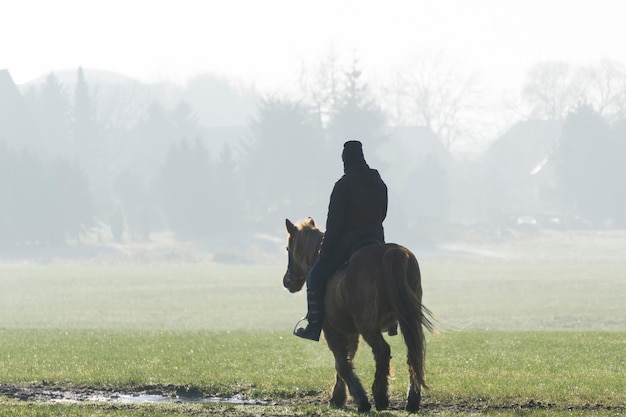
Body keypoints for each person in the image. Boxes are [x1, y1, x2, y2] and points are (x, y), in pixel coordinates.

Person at [294, 140, 388, 341]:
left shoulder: (343, 185)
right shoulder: (379, 183)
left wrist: (325, 252)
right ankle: (393, 320)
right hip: (376, 242)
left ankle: (313, 326)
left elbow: (334, 225)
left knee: (315, 277)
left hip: (349, 244)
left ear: (346, 161)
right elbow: (383, 214)